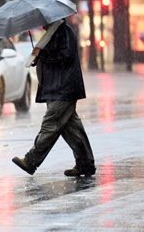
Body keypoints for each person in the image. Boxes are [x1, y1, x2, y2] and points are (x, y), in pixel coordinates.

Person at [12, 19, 96, 177]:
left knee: (50, 125)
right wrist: (40, 57)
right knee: (72, 129)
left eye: (44, 20)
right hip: (57, 88)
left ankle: (31, 161)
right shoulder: (54, 33)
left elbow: (65, 56)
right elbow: (54, 57)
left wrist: (42, 54)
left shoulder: (64, 32)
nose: (42, 23)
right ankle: (85, 165)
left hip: (63, 89)